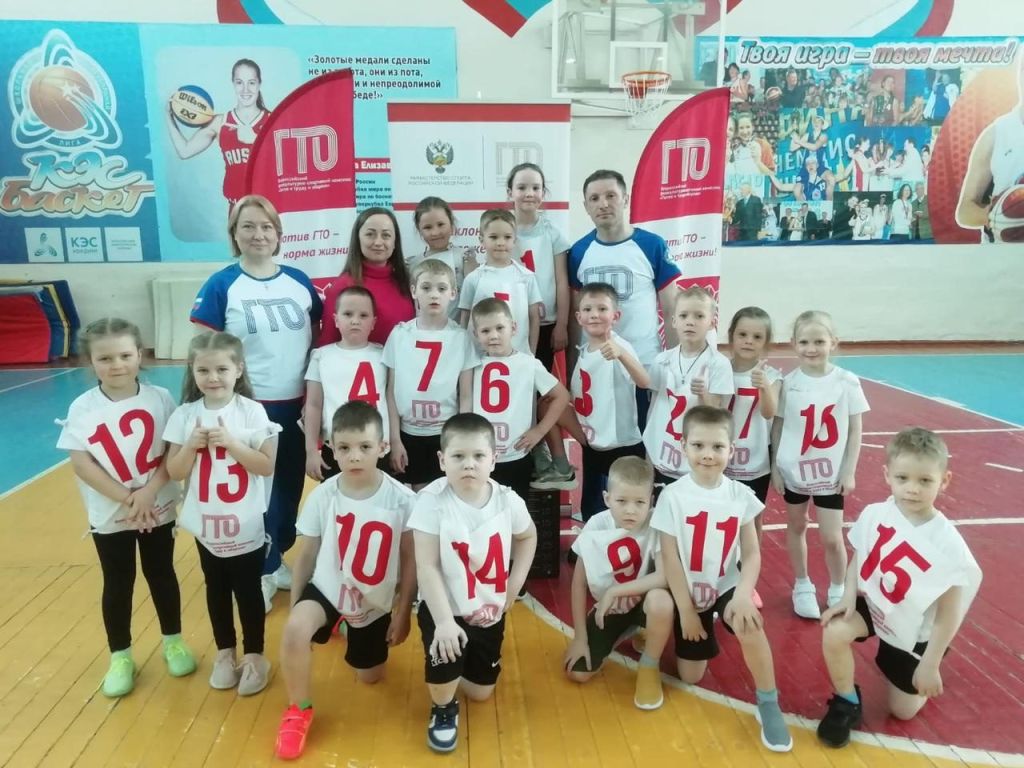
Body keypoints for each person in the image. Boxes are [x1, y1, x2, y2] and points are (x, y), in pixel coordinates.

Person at [190, 194, 322, 612]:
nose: (258, 234)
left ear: (279, 234)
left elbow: (317, 335)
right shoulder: (221, 285)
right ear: (234, 234)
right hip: (249, 407)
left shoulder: (299, 281)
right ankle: (258, 572)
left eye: (266, 227)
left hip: (295, 406)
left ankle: (275, 556)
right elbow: (204, 350)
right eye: (248, 226)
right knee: (256, 495)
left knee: (287, 491)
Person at [817, 428, 982, 748]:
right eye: (903, 478)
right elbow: (860, 555)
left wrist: (930, 663)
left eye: (925, 480)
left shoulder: (948, 545)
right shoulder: (877, 513)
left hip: (915, 625)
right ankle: (847, 700)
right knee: (834, 630)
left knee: (902, 711)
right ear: (887, 475)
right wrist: (848, 596)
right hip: (878, 602)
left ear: (944, 480)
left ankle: (925, 662)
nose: (912, 488)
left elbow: (949, 613)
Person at [57, 318, 195, 698]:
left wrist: (149, 492)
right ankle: (120, 656)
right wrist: (129, 498)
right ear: (90, 362)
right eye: (105, 358)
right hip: (111, 513)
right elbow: (82, 463)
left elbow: (171, 451)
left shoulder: (159, 398)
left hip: (158, 505)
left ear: (139, 355)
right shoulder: (82, 407)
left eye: (124, 355)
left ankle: (173, 642)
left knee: (161, 573)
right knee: (118, 582)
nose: (116, 364)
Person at [274, 402, 417, 760]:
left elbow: (410, 560)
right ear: (331, 449)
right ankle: (298, 709)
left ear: (382, 447)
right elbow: (307, 554)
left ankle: (350, 626)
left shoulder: (403, 500)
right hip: (329, 586)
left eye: (365, 447)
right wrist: (296, 609)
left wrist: (402, 613)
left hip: (373, 598)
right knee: (295, 630)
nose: (354, 456)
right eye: (345, 448)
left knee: (370, 676)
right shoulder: (324, 495)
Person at [652, 406, 793, 752]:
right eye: (698, 445)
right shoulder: (671, 496)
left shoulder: (740, 495)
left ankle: (768, 701)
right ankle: (697, 622)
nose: (708, 454)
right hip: (688, 587)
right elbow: (670, 558)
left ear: (732, 449)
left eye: (717, 447)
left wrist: (744, 593)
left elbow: (753, 553)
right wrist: (686, 611)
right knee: (690, 676)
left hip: (725, 584)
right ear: (683, 446)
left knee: (750, 624)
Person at [409, 414, 538, 753]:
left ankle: (462, 665)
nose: (469, 464)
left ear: (493, 459)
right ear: (442, 460)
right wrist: (443, 623)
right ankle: (443, 707)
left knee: (481, 693)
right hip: (445, 608)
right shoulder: (431, 502)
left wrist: (515, 583)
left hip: (488, 608)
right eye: (458, 456)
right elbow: (426, 565)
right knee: (445, 677)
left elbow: (528, 536)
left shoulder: (507, 500)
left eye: (478, 456)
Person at [165, 331, 280, 695]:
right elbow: (175, 472)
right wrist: (190, 447)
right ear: (192, 370)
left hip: (244, 522)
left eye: (221, 369)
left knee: (248, 590)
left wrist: (231, 443)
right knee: (215, 588)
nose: (212, 377)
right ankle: (225, 652)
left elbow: (265, 465)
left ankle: (256, 655)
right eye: (203, 370)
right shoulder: (185, 415)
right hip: (207, 524)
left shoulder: (252, 412)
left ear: (238, 369)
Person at [771, 311, 869, 620]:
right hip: (794, 471)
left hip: (830, 474)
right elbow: (778, 426)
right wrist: (775, 467)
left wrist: (849, 470)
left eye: (819, 342)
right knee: (796, 525)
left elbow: (855, 430)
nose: (811, 348)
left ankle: (838, 588)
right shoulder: (788, 384)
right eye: (804, 342)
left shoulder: (847, 382)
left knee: (832, 537)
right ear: (793, 344)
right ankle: (802, 585)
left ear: (833, 343)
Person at [563, 456, 674, 710]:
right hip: (613, 609)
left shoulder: (657, 524)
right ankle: (628, 629)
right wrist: (580, 637)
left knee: (660, 600)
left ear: (651, 501)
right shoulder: (596, 524)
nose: (630, 510)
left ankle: (649, 664)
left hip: (645, 602)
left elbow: (663, 576)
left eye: (639, 502)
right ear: (607, 498)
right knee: (577, 672)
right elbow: (578, 584)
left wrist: (615, 591)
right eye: (621, 501)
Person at [568, 170, 681, 409]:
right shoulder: (578, 252)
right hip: (596, 368)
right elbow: (574, 316)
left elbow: (672, 309)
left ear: (626, 199)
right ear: (586, 206)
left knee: (644, 432)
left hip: (643, 364)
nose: (603, 204)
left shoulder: (652, 245)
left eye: (611, 195)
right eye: (594, 198)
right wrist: (571, 369)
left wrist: (676, 364)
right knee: (596, 433)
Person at [459, 298, 570, 505]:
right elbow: (465, 405)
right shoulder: (472, 364)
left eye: (500, 328)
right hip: (480, 456)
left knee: (513, 512)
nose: (493, 335)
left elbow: (562, 396)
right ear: (475, 334)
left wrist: (539, 431)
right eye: (485, 331)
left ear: (514, 328)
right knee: (478, 509)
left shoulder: (529, 363)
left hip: (516, 455)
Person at [506, 163, 577, 489]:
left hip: (545, 324)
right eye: (522, 187)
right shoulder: (503, 229)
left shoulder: (552, 233)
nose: (528, 193)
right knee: (520, 394)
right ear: (510, 192)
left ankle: (554, 457)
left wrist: (561, 323)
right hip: (511, 328)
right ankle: (536, 454)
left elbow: (561, 282)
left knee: (540, 394)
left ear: (544, 193)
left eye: (535, 187)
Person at [384, 259, 477, 490]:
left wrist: (460, 440)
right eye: (426, 288)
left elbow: (466, 395)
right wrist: (395, 439)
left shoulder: (461, 338)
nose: (434, 294)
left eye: (442, 288)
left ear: (453, 293)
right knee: (413, 498)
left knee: (444, 496)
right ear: (414, 291)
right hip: (408, 433)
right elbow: (391, 392)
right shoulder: (399, 334)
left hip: (445, 433)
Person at [566, 283, 649, 523]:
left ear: (616, 316)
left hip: (621, 443)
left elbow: (644, 381)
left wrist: (622, 355)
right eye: (588, 309)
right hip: (594, 439)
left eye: (602, 309)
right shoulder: (583, 350)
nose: (594, 314)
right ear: (579, 317)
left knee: (626, 504)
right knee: (593, 506)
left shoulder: (619, 346)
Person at [642, 287, 733, 487]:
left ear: (712, 323)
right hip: (661, 454)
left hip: (696, 462)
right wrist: (649, 450)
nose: (690, 322)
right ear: (674, 321)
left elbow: (718, 414)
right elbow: (654, 407)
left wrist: (703, 394)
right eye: (683, 316)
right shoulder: (662, 360)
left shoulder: (719, 364)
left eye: (699, 316)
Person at [303, 286, 392, 482]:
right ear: (336, 319)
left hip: (377, 447)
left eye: (363, 315)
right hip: (337, 447)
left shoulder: (384, 355)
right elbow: (313, 405)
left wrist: (396, 441)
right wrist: (311, 450)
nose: (355, 320)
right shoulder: (321, 356)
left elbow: (391, 399)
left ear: (373, 322)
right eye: (348, 314)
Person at [165, 59, 271, 210]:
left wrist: (255, 140)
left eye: (251, 83)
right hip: (237, 210)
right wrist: (168, 116)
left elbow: (288, 165)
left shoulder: (273, 120)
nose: (245, 89)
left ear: (259, 84)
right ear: (233, 83)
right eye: (239, 82)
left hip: (269, 208)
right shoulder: (220, 123)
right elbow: (184, 151)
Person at [319, 208, 416, 347]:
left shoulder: (407, 281)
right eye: (370, 234)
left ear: (395, 242)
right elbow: (328, 344)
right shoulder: (343, 286)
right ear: (358, 239)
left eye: (386, 235)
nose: (378, 242)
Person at [956, 52, 1024, 242]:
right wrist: (996, 217)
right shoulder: (996, 134)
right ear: (1020, 75)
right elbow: (964, 211)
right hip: (1000, 254)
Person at [725, 307, 781, 535]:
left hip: (755, 462)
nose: (749, 341)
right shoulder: (719, 369)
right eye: (743, 334)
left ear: (766, 342)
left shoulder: (772, 376)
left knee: (752, 521)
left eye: (757, 337)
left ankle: (752, 558)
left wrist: (764, 387)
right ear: (731, 336)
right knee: (722, 516)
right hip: (721, 459)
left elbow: (769, 412)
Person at [459, 209, 542, 355]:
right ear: (481, 240)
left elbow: (534, 318)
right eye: (493, 237)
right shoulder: (473, 278)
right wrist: (464, 353)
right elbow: (464, 318)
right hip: (481, 357)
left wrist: (532, 353)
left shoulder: (527, 277)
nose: (500, 243)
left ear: (514, 240)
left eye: (507, 237)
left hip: (518, 355)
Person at [407, 196, 477, 322]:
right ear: (419, 230)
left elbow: (474, 298)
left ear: (451, 224)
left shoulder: (464, 258)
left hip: (456, 330)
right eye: (428, 227)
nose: (435, 232)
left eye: (440, 224)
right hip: (422, 331)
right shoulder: (412, 263)